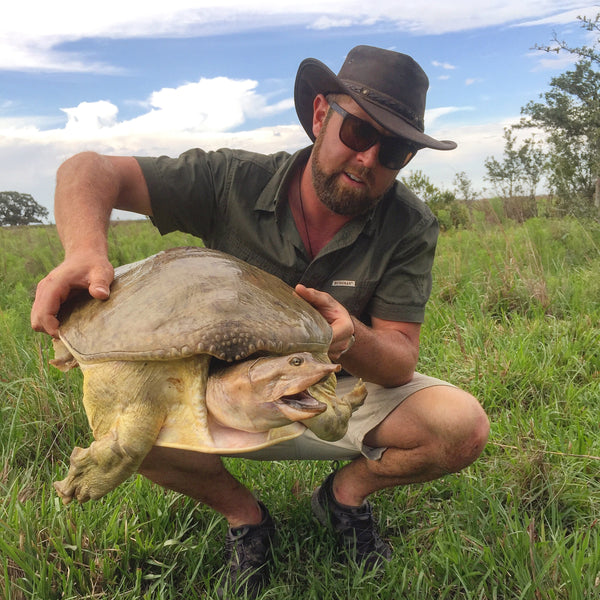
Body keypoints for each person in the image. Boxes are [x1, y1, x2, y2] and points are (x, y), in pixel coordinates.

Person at [31, 45, 489, 597]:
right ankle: (246, 517)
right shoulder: (232, 180)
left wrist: (350, 338)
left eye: (393, 151)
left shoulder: (410, 224)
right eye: (359, 133)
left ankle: (342, 497)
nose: (369, 160)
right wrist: (84, 250)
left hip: (331, 393)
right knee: (127, 428)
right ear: (321, 116)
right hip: (214, 395)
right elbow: (89, 169)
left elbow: (399, 359)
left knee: (461, 426)